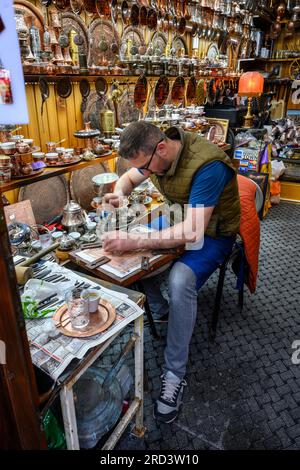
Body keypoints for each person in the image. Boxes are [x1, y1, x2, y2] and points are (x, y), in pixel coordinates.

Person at [102, 121, 240, 423]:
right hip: (179, 216)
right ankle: (162, 309)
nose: (146, 173)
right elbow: (127, 177)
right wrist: (120, 193)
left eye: (146, 168)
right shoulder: (156, 155)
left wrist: (136, 240)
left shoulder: (209, 164)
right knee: (132, 254)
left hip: (214, 232)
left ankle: (174, 373)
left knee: (179, 279)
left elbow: (193, 231)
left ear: (161, 148)